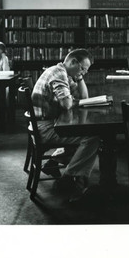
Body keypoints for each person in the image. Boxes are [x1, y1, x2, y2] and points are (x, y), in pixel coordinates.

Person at [31, 49, 100, 202]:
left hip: (47, 123)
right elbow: (67, 104)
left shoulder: (63, 73)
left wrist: (79, 76)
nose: (83, 73)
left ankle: (55, 162)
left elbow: (83, 97)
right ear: (73, 62)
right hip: (44, 128)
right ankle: (71, 177)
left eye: (85, 71)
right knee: (92, 138)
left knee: (85, 134)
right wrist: (71, 94)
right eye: (82, 68)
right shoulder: (58, 74)